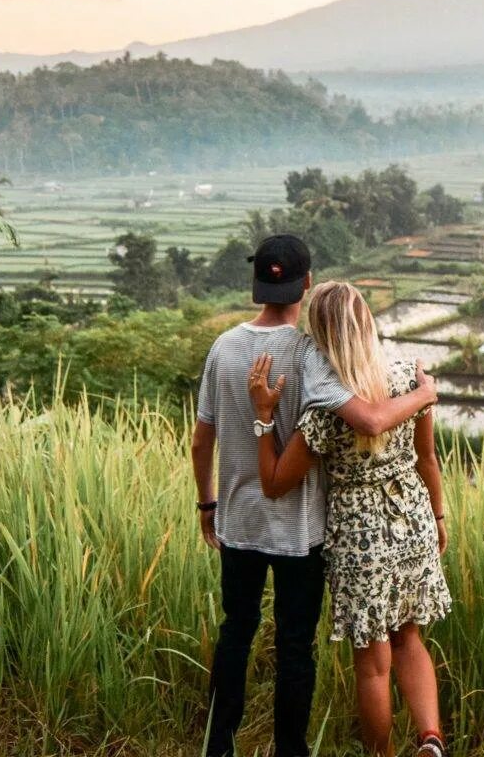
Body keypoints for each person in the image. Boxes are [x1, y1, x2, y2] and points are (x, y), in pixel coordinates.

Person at [190, 236, 438, 757]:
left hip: (239, 521)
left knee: (236, 631)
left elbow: (201, 438)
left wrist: (207, 504)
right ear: (305, 282)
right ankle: (291, 750)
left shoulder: (223, 348)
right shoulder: (313, 354)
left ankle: (219, 746)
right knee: (295, 645)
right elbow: (364, 414)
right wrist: (421, 394)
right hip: (303, 529)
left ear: (256, 282)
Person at [249, 279, 452, 757]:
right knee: (409, 636)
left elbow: (276, 482)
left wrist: (263, 419)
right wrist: (439, 516)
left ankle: (381, 754)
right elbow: (428, 460)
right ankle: (431, 740)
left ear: (319, 333)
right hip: (413, 518)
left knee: (373, 661)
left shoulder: (325, 408)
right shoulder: (409, 379)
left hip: (359, 530)